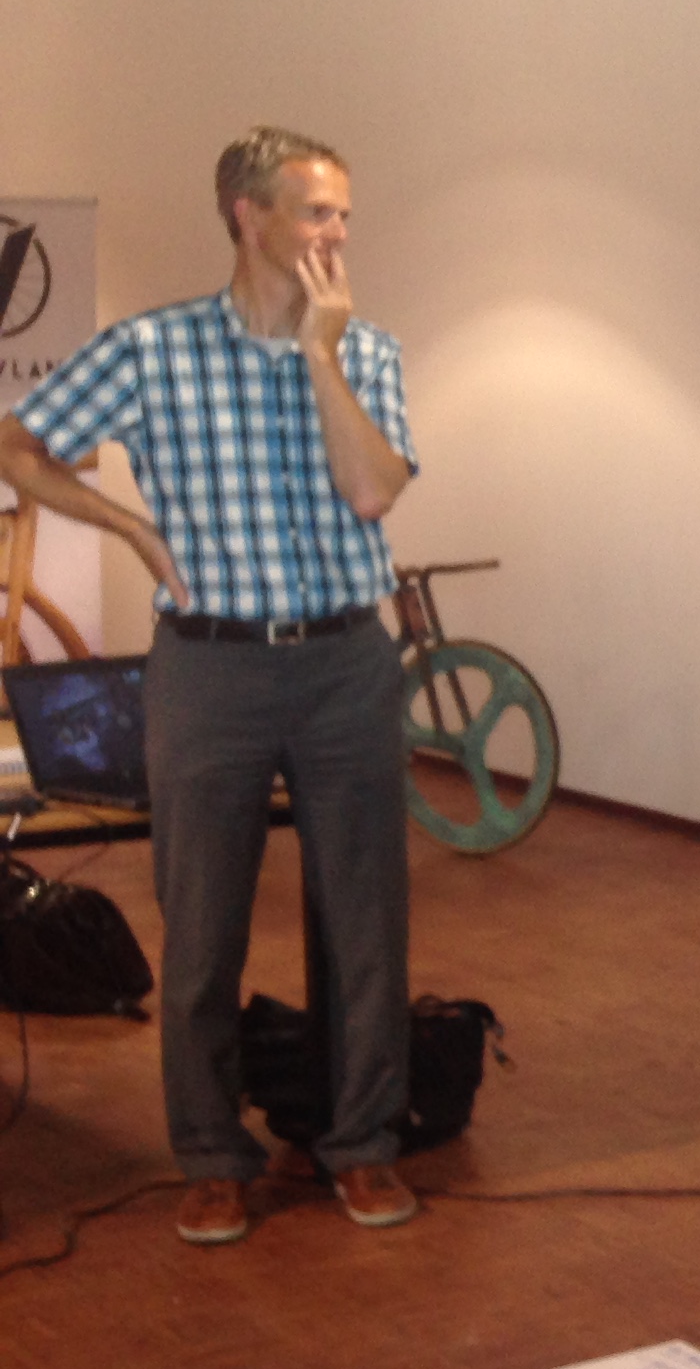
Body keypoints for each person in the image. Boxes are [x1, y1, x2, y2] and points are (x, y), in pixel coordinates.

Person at [0, 126, 419, 1247]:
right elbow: (18, 446)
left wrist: (322, 359)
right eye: (317, 212)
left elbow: (374, 493)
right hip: (209, 667)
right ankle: (212, 1155)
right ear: (248, 215)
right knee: (201, 922)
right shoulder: (152, 349)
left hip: (344, 660)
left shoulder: (368, 350)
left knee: (366, 922)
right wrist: (126, 525)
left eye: (342, 214)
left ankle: (361, 1144)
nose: (337, 233)